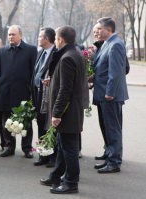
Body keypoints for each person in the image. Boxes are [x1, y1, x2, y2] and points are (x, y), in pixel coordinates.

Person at [40, 26, 86, 194]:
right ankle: (56, 175)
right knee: (62, 145)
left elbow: (66, 89)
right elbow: (68, 82)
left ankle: (71, 183)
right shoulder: (75, 53)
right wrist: (51, 82)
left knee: (69, 148)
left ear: (60, 39)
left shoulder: (67, 57)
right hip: (72, 109)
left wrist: (57, 113)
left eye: (57, 38)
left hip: (67, 110)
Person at [0, 25, 37, 158]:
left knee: (26, 123)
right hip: (6, 93)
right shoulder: (3, 51)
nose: (11, 37)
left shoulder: (30, 50)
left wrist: (30, 88)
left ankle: (27, 148)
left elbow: (34, 71)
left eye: (13, 34)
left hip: (23, 93)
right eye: (9, 34)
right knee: (7, 122)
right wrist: (1, 83)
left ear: (20, 35)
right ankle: (9, 146)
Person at [92, 17, 129, 173]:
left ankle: (114, 162)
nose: (97, 32)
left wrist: (110, 92)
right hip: (103, 94)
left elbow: (117, 73)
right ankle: (109, 156)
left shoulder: (115, 45)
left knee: (113, 129)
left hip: (109, 96)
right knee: (107, 128)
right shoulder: (107, 44)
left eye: (99, 29)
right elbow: (124, 67)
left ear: (109, 29)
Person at [32, 27, 57, 167]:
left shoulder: (56, 53)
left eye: (40, 36)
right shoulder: (40, 52)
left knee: (50, 128)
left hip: (49, 97)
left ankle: (52, 157)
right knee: (41, 125)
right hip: (38, 95)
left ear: (47, 39)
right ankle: (43, 155)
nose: (38, 39)